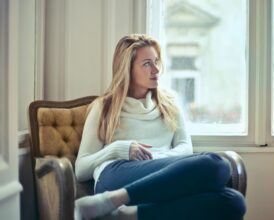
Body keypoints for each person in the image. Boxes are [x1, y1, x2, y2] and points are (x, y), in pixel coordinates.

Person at [73, 34, 246, 220]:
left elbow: (186, 147)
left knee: (233, 201)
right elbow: (81, 169)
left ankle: (123, 213)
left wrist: (156, 157)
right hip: (117, 174)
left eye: (156, 61)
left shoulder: (170, 102)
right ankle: (108, 199)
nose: (156, 69)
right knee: (216, 164)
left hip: (162, 173)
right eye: (147, 63)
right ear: (127, 69)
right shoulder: (104, 107)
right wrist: (118, 148)